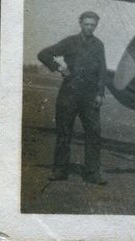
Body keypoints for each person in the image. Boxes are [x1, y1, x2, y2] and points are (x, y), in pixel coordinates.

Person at [37, 11, 108, 184]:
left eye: (93, 25)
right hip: (69, 93)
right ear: (80, 23)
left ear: (96, 26)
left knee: (94, 133)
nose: (90, 27)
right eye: (87, 24)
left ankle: (92, 173)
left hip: (90, 96)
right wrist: (58, 67)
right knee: (64, 132)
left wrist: (100, 94)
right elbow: (43, 54)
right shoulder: (70, 42)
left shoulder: (99, 45)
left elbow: (102, 71)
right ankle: (60, 170)